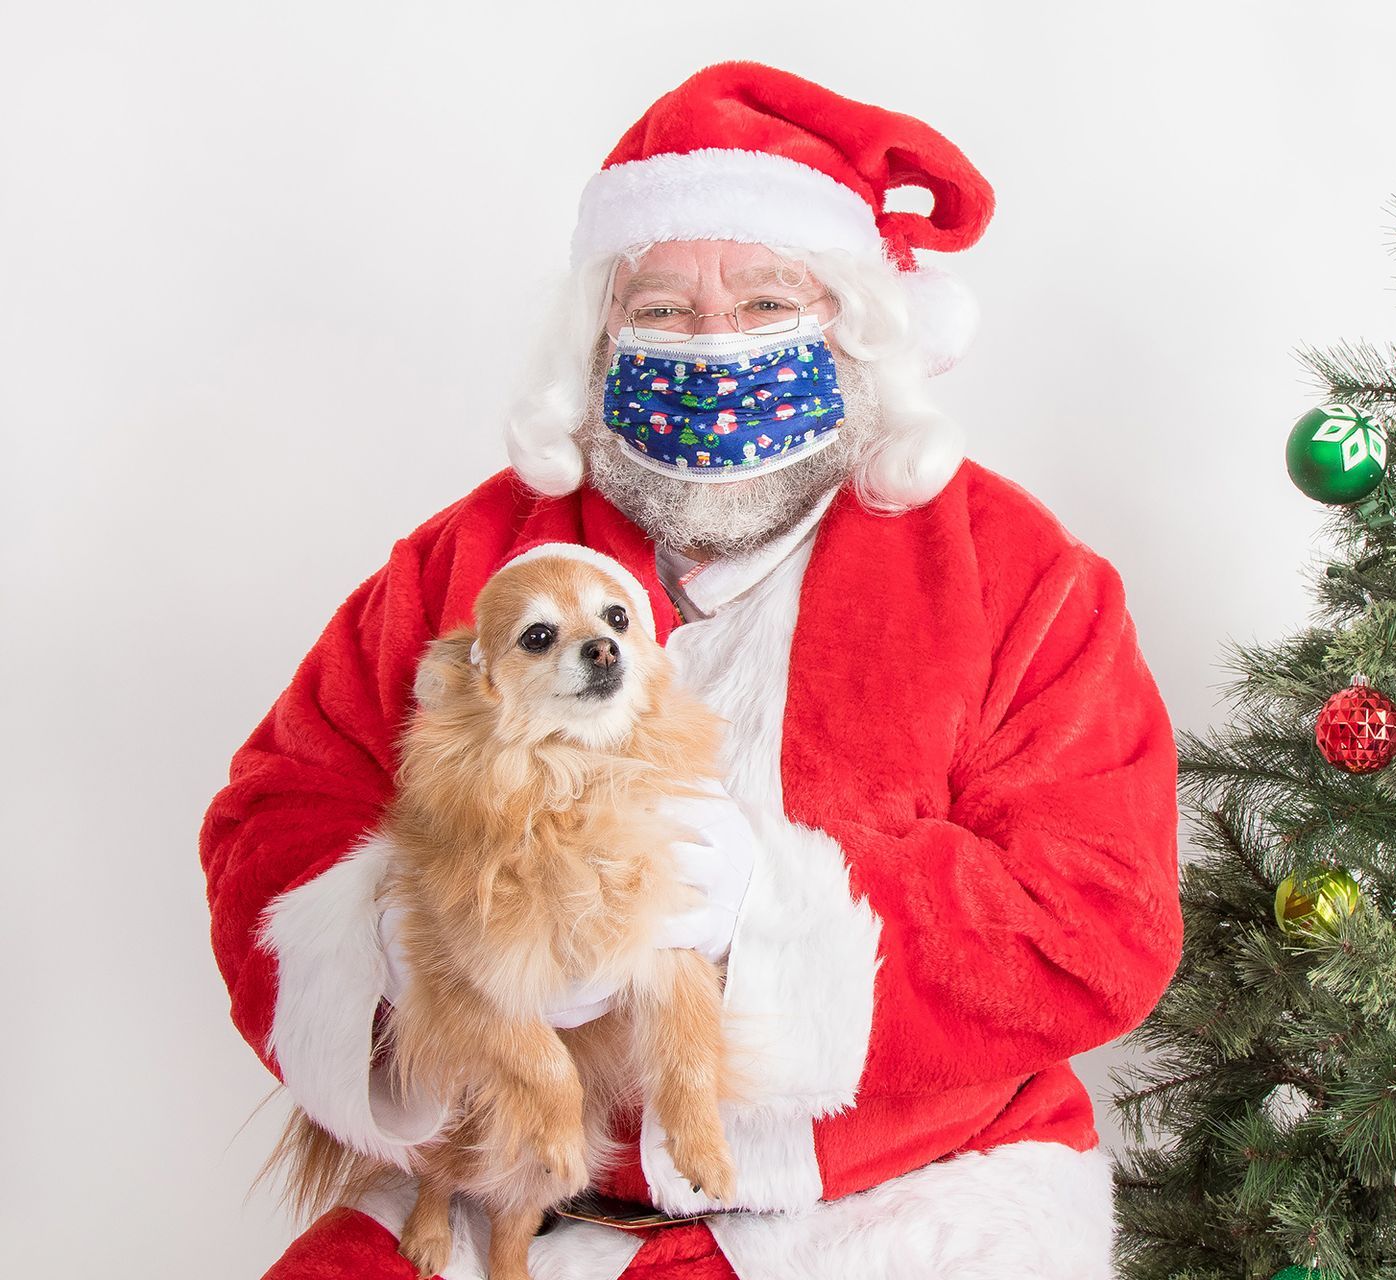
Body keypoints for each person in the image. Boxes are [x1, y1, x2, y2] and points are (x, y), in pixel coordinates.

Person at [199, 60, 1181, 1280]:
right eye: (662, 310)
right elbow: (277, 811)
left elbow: (1099, 920)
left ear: (855, 327)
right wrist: (422, 943)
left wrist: (757, 912)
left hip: (894, 1205)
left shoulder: (1019, 574)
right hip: (517, 1197)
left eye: (769, 301)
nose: (714, 347)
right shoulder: (472, 560)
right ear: (602, 338)